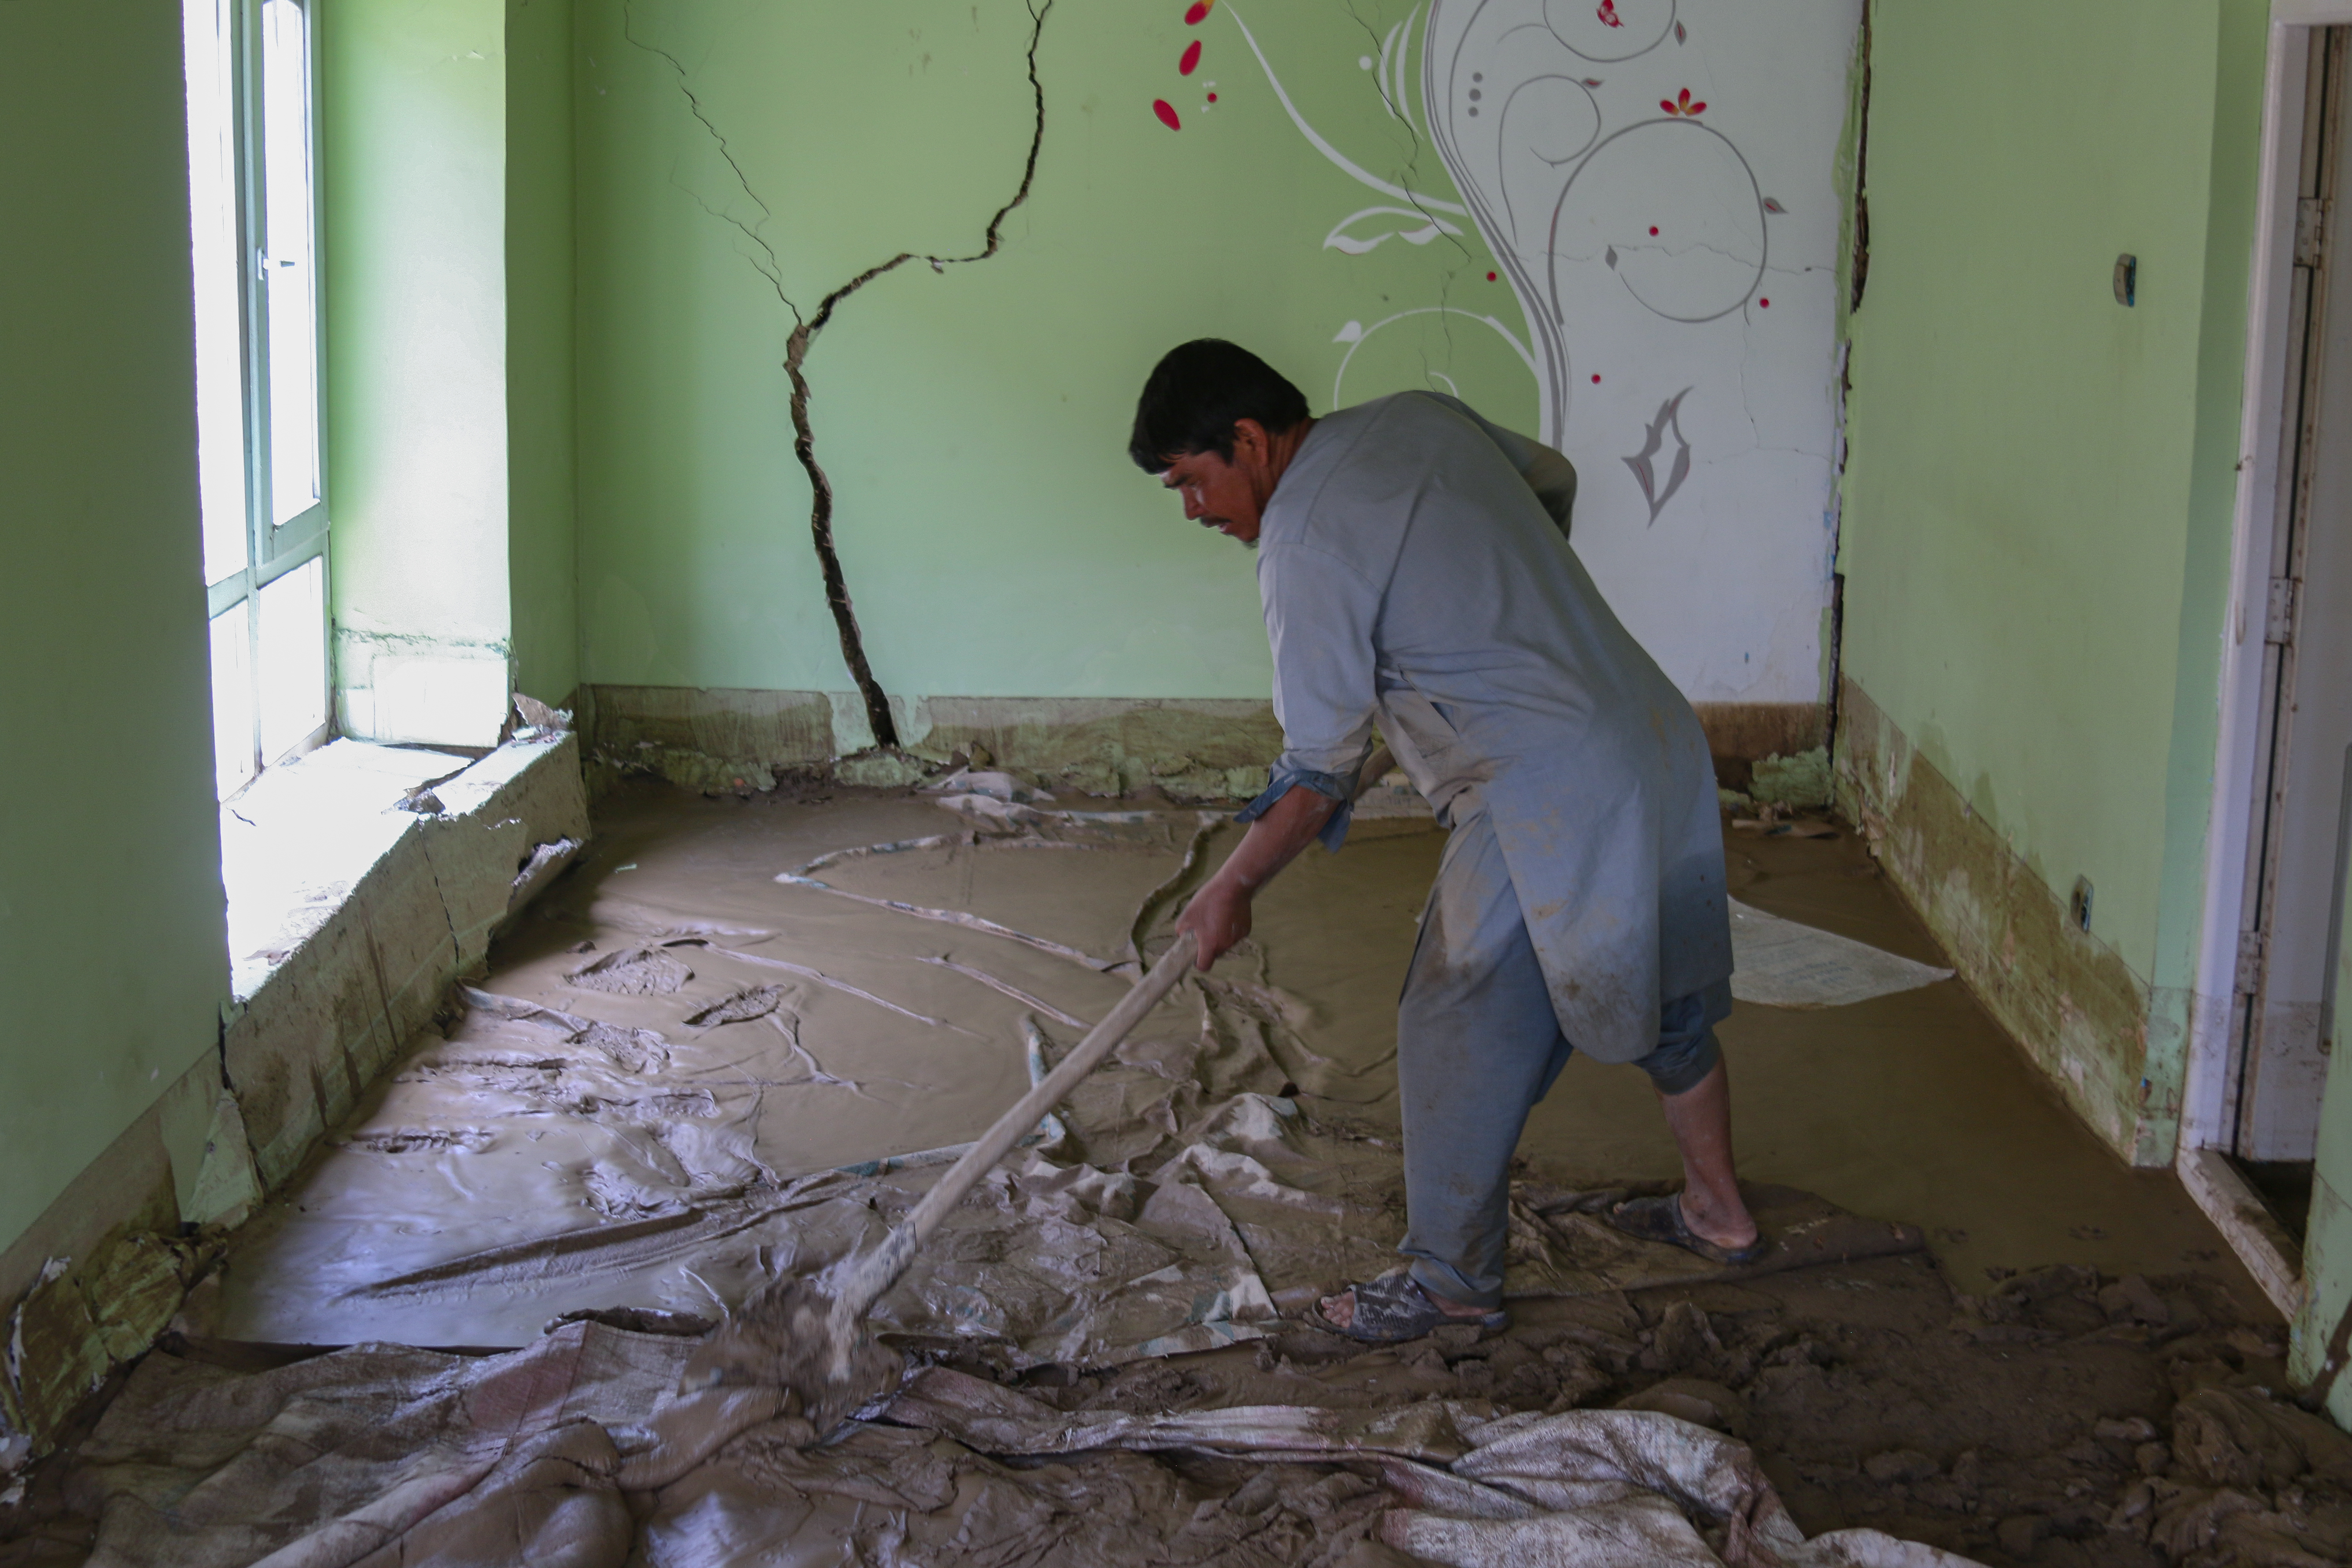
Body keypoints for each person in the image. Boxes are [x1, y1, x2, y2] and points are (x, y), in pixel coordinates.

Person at [1130, 339, 1762, 1343]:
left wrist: (1232, 885)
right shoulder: (1418, 417)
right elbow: (1549, 478)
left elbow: (1315, 771)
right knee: (1663, 996)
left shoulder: (1300, 540)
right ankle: (1716, 1214)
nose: (1192, 510)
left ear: (1248, 441)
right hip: (1647, 732)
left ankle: (1448, 1283)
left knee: (1452, 1018)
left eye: (1190, 481)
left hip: (1541, 784)